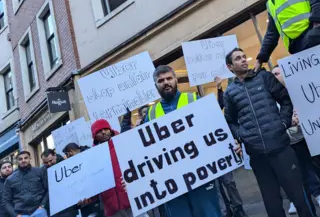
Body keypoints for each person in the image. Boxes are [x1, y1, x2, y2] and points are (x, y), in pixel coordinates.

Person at [223, 48, 315, 217]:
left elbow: (285, 100)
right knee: (272, 203)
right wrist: (242, 136)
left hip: (281, 148)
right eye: (238, 59)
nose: (244, 60)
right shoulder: (229, 92)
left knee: (299, 196)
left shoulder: (264, 78)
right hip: (258, 155)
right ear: (230, 66)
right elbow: (230, 121)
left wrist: (283, 123)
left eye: (244, 57)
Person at [143, 65, 222, 217]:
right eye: (161, 80)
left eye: (169, 78)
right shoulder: (151, 114)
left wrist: (230, 147)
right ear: (156, 85)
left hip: (201, 173)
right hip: (172, 182)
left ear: (175, 79)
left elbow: (213, 128)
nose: (166, 82)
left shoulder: (193, 99)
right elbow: (147, 150)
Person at [271, 65, 320, 216]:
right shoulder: (272, 99)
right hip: (291, 144)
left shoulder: (299, 91)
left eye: (277, 73)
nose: (275, 77)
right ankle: (310, 212)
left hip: (309, 139)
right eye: (272, 75)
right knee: (300, 180)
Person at [214, 76, 248, 217]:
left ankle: (238, 207)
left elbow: (219, 106)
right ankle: (225, 211)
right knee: (216, 188)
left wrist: (219, 89)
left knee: (229, 182)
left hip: (219, 153)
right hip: (206, 159)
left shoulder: (212, 113)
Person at [86, 119, 132, 217]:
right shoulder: (92, 156)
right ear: (94, 136)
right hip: (112, 208)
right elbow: (94, 182)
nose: (103, 132)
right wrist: (87, 197)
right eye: (99, 131)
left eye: (105, 129)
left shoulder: (124, 143)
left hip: (132, 200)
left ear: (110, 130)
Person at [2, 151, 49, 217]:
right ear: (17, 161)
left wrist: (43, 205)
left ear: (30, 158)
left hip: (39, 211)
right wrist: (16, 215)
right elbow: (6, 201)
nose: (23, 160)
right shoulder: (10, 179)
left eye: (26, 158)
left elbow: (48, 189)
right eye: (20, 159)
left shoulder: (40, 171)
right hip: (22, 214)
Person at [63, 143, 103, 217]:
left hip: (98, 200)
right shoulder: (72, 165)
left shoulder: (90, 154)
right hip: (85, 203)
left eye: (67, 156)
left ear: (70, 152)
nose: (67, 159)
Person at [41, 149, 78, 217]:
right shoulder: (43, 171)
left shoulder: (66, 164)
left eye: (50, 160)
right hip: (54, 210)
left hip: (69, 208)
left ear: (55, 156)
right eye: (45, 162)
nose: (49, 164)